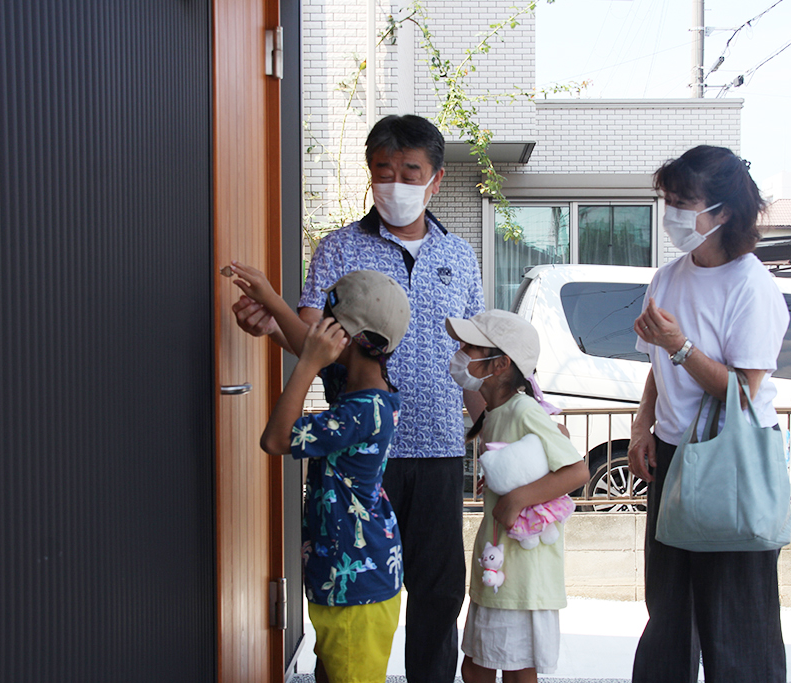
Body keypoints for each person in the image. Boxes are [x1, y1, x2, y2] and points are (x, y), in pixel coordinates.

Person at [232, 114, 485, 683]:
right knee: (348, 593)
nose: (394, 181)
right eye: (382, 169)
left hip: (440, 450)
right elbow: (309, 340)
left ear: (436, 179)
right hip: (358, 459)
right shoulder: (338, 248)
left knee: (439, 595)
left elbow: (471, 359)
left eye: (409, 170)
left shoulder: (460, 255)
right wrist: (274, 320)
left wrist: (495, 429)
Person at [626, 145, 789, 683]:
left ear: (721, 212)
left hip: (732, 460)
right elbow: (656, 362)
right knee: (668, 609)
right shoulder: (667, 277)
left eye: (682, 202)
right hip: (672, 457)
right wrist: (642, 425)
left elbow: (743, 390)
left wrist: (679, 346)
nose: (670, 213)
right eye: (667, 200)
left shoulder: (752, 286)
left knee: (737, 618)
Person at [239, 266, 411, 683]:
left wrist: (306, 365)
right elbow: (309, 347)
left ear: (343, 339)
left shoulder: (359, 412)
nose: (313, 330)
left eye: (323, 325)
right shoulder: (363, 385)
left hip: (354, 587)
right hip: (355, 574)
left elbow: (277, 440)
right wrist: (273, 304)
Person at [445, 309, 589, 683]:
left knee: (500, 668)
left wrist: (518, 498)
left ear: (500, 363)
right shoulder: (496, 413)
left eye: (471, 347)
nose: (460, 352)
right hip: (502, 570)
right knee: (486, 665)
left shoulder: (524, 409)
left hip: (520, 576)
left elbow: (577, 470)